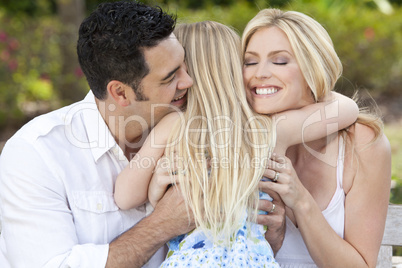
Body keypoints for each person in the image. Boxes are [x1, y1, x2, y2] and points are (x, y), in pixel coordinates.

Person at [113, 20, 358, 267]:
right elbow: (348, 109)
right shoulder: (268, 128)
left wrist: (156, 190)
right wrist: (312, 81)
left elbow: (124, 197)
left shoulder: (173, 126)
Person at [0, 1, 197, 267]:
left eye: (184, 66)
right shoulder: (36, 153)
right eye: (170, 77)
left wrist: (275, 230)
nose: (188, 82)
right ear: (121, 93)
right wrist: (162, 224)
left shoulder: (192, 134)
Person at [242, 8, 392, 267]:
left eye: (279, 61)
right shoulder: (231, 136)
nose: (260, 74)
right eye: (250, 61)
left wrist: (299, 199)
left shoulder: (361, 143)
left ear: (313, 67)